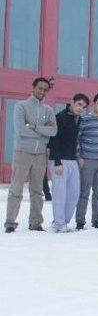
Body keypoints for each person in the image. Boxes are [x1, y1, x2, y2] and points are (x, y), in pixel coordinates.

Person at [5, 78, 57, 233]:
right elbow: (21, 130)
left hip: (40, 155)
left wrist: (35, 127)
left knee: (37, 190)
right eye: (39, 88)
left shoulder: (48, 110)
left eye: (45, 89)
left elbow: (53, 131)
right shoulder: (21, 106)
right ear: (33, 87)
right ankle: (10, 222)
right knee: (16, 188)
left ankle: (35, 223)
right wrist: (43, 132)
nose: (42, 91)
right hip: (22, 153)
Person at [47, 93, 89, 233]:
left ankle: (63, 221)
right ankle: (58, 223)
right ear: (72, 102)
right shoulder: (60, 117)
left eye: (83, 106)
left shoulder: (79, 120)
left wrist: (78, 157)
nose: (81, 108)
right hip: (59, 160)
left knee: (74, 193)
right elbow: (54, 141)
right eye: (79, 104)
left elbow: (75, 141)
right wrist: (57, 162)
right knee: (59, 194)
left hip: (72, 161)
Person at [76, 93, 98, 230]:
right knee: (84, 192)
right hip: (88, 160)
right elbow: (77, 138)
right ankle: (80, 220)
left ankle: (96, 219)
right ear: (93, 104)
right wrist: (79, 156)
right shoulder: (85, 119)